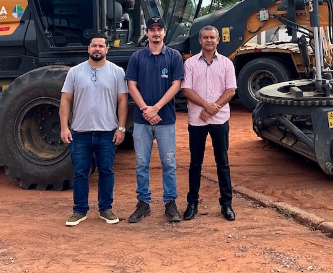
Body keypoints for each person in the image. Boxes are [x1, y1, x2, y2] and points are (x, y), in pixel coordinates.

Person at [60, 34, 128, 227]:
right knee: (80, 173)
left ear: (107, 49)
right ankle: (79, 210)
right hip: (80, 133)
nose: (97, 49)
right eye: (93, 46)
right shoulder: (75, 72)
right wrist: (64, 127)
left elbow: (122, 101)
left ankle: (106, 208)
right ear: (88, 49)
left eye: (101, 46)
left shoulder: (117, 72)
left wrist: (121, 128)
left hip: (107, 132)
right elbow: (65, 100)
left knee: (106, 171)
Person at [125, 16, 185, 223]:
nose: (156, 33)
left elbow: (176, 85)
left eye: (160, 29)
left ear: (164, 33)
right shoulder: (137, 57)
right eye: (152, 29)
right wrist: (145, 109)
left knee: (168, 163)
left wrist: (156, 108)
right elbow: (131, 85)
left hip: (165, 119)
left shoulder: (174, 56)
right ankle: (143, 203)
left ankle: (170, 203)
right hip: (142, 121)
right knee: (141, 163)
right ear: (147, 32)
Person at [180, 25, 237, 221]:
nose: (209, 40)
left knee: (223, 162)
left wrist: (213, 109)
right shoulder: (190, 64)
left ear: (218, 40)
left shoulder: (227, 64)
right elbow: (186, 90)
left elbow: (230, 90)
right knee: (195, 162)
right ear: (200, 40)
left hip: (220, 119)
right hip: (197, 120)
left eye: (212, 37)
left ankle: (226, 204)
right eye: (205, 37)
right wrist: (206, 106)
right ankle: (192, 203)